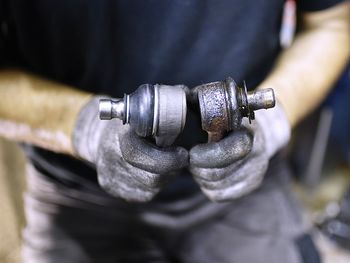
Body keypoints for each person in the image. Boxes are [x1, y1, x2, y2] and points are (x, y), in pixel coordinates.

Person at [0, 0, 349, 262]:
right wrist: (82, 127)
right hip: (74, 191)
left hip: (243, 181)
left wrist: (270, 125)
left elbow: (332, 23)